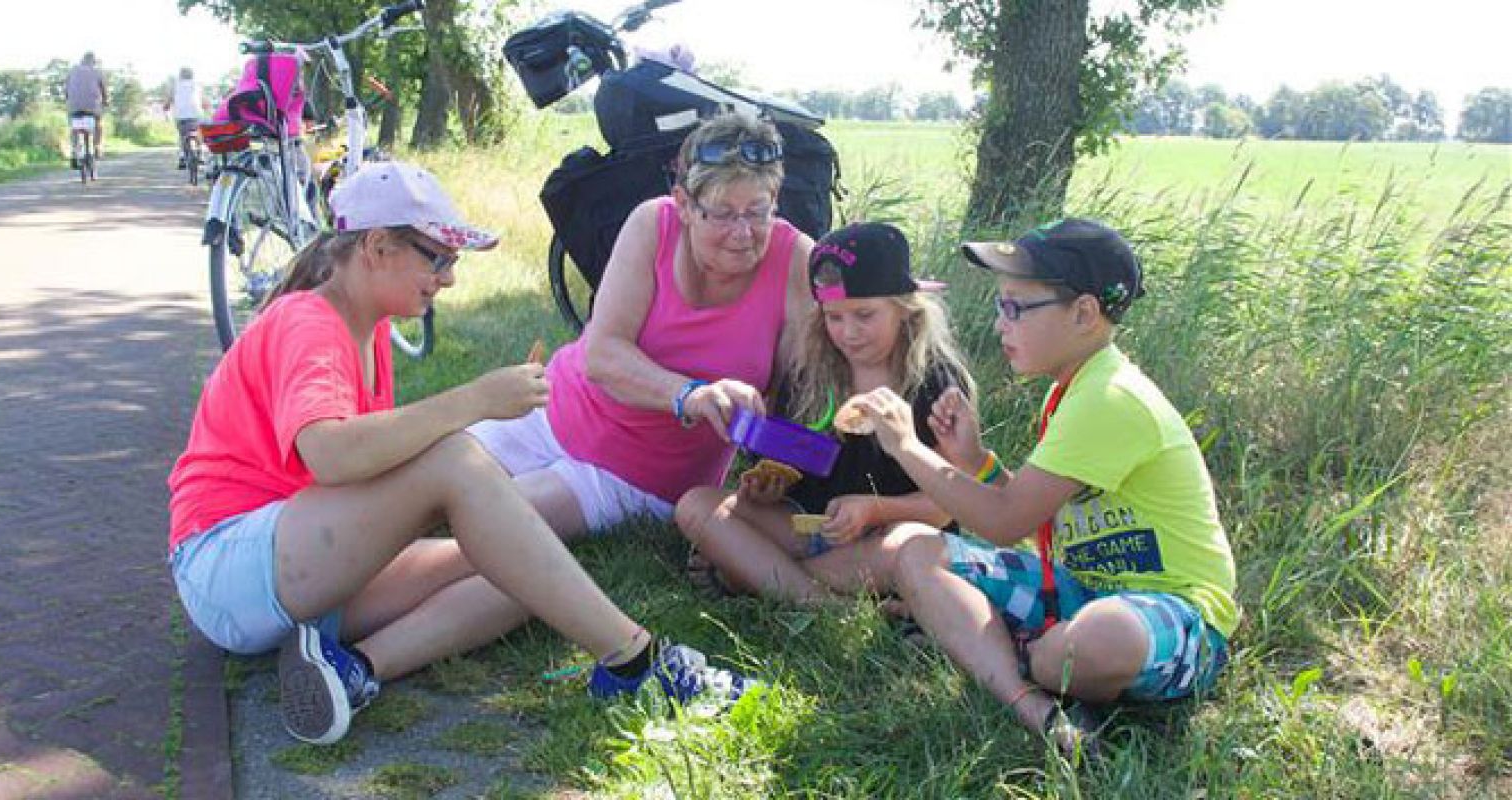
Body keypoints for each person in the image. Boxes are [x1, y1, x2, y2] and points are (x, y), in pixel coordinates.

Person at [167, 162, 755, 747]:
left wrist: (478, 498)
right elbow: (330, 455)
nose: (447, 279)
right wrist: (473, 402)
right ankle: (635, 663)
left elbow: (363, 469)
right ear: (376, 246)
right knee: (456, 459)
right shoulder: (309, 322)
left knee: (525, 569)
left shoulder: (362, 329)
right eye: (438, 258)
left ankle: (352, 672)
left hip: (293, 575)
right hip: (227, 569)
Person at [850, 219, 1239, 758]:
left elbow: (1004, 522)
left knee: (1097, 641)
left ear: (1083, 313)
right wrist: (974, 460)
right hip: (1078, 587)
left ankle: (997, 647)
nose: (999, 324)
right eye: (998, 307)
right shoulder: (1074, 388)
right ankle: (1029, 695)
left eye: (1016, 308)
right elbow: (1034, 521)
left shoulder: (1111, 397)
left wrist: (905, 446)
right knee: (916, 548)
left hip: (1174, 611)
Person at [466, 112, 814, 539]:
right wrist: (690, 395)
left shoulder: (795, 259)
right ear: (684, 204)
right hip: (554, 409)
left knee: (486, 520)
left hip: (636, 471)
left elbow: (802, 394)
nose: (742, 233)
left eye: (758, 212)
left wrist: (778, 465)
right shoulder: (654, 223)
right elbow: (603, 355)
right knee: (427, 473)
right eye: (722, 214)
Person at [675, 222, 975, 605]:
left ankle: (761, 577)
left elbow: (950, 503)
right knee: (697, 507)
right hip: (809, 526)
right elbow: (793, 463)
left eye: (864, 315)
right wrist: (770, 488)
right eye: (834, 317)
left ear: (904, 309)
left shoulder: (935, 385)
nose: (848, 333)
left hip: (886, 536)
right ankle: (818, 596)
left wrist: (874, 510)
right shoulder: (812, 370)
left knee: (907, 548)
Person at [64, 52, 108, 163]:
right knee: (99, 123)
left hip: (74, 106)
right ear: (93, 61)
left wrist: (68, 100)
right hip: (92, 107)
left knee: (74, 127)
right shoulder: (98, 72)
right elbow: (104, 90)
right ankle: (97, 146)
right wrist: (105, 101)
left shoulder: (72, 71)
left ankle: (74, 150)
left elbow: (66, 89)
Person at [165, 67, 206, 170]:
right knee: (199, 132)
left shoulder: (175, 86)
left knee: (182, 135)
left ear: (180, 76)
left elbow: (169, 100)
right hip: (196, 114)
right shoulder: (197, 85)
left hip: (180, 116)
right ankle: (200, 154)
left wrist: (166, 107)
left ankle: (182, 157)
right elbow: (204, 101)